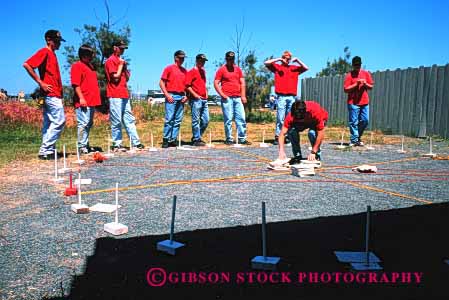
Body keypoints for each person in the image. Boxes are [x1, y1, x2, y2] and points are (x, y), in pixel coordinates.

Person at [23, 29, 66, 160]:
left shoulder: (53, 54)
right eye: (57, 41)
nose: (59, 44)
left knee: (49, 122)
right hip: (50, 93)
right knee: (60, 121)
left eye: (59, 41)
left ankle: (48, 150)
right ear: (49, 40)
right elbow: (27, 64)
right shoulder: (44, 52)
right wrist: (40, 82)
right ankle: (45, 149)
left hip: (55, 93)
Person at [105, 40, 144, 151]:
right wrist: (121, 65)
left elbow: (126, 78)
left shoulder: (121, 61)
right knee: (117, 120)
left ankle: (136, 142)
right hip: (115, 93)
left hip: (124, 93)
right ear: (115, 48)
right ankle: (117, 144)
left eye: (123, 49)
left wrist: (125, 68)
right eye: (120, 48)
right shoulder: (110, 61)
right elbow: (115, 77)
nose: (122, 50)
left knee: (129, 118)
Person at [264, 51, 308, 145]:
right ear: (282, 57)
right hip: (281, 97)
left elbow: (306, 68)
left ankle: (287, 136)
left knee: (290, 118)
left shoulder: (294, 68)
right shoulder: (277, 67)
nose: (286, 60)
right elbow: (266, 63)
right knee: (280, 118)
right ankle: (278, 136)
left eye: (288, 58)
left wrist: (298, 60)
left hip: (291, 97)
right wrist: (279, 59)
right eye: (285, 58)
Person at [214, 51, 250, 145]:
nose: (231, 61)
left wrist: (243, 95)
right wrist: (222, 94)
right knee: (228, 119)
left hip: (238, 97)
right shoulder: (221, 70)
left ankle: (242, 138)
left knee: (241, 118)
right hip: (227, 98)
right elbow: (216, 83)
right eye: (229, 59)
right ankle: (229, 138)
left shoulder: (238, 69)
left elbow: (242, 82)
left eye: (232, 59)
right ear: (226, 59)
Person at [70, 44, 101, 154]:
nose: (93, 56)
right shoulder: (77, 66)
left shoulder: (90, 66)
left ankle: (85, 143)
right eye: (91, 54)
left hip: (91, 100)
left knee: (89, 123)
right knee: (83, 123)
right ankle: (81, 146)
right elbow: (76, 84)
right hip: (83, 100)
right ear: (84, 55)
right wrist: (81, 98)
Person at [277, 99, 328, 164]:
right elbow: (282, 134)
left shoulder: (315, 112)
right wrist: (281, 150)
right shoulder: (290, 116)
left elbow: (320, 133)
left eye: (300, 118)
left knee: (312, 133)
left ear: (306, 112)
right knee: (291, 131)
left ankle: (316, 156)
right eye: (296, 117)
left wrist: (313, 151)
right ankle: (297, 156)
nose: (298, 119)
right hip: (304, 123)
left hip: (313, 121)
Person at [160, 50, 188, 148]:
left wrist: (186, 96)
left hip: (181, 96)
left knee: (178, 120)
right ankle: (166, 139)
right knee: (169, 118)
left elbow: (188, 85)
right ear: (176, 58)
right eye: (180, 57)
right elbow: (161, 82)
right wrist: (167, 95)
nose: (182, 59)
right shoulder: (169, 68)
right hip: (171, 95)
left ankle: (173, 139)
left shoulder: (185, 71)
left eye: (183, 58)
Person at [343, 56, 374, 147]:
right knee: (353, 122)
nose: (357, 67)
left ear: (361, 64)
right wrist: (356, 84)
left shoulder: (366, 73)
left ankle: (358, 137)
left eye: (359, 65)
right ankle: (354, 140)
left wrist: (365, 84)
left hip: (364, 101)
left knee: (365, 120)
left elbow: (371, 87)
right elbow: (346, 89)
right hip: (353, 102)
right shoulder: (349, 75)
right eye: (355, 65)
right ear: (352, 65)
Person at [185, 54, 209, 146]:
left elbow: (203, 84)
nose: (203, 63)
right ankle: (196, 139)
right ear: (197, 60)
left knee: (206, 120)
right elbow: (187, 85)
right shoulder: (191, 72)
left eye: (204, 61)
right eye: (201, 61)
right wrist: (195, 95)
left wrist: (206, 94)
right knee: (196, 120)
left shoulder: (203, 71)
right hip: (195, 99)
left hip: (204, 99)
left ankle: (197, 136)